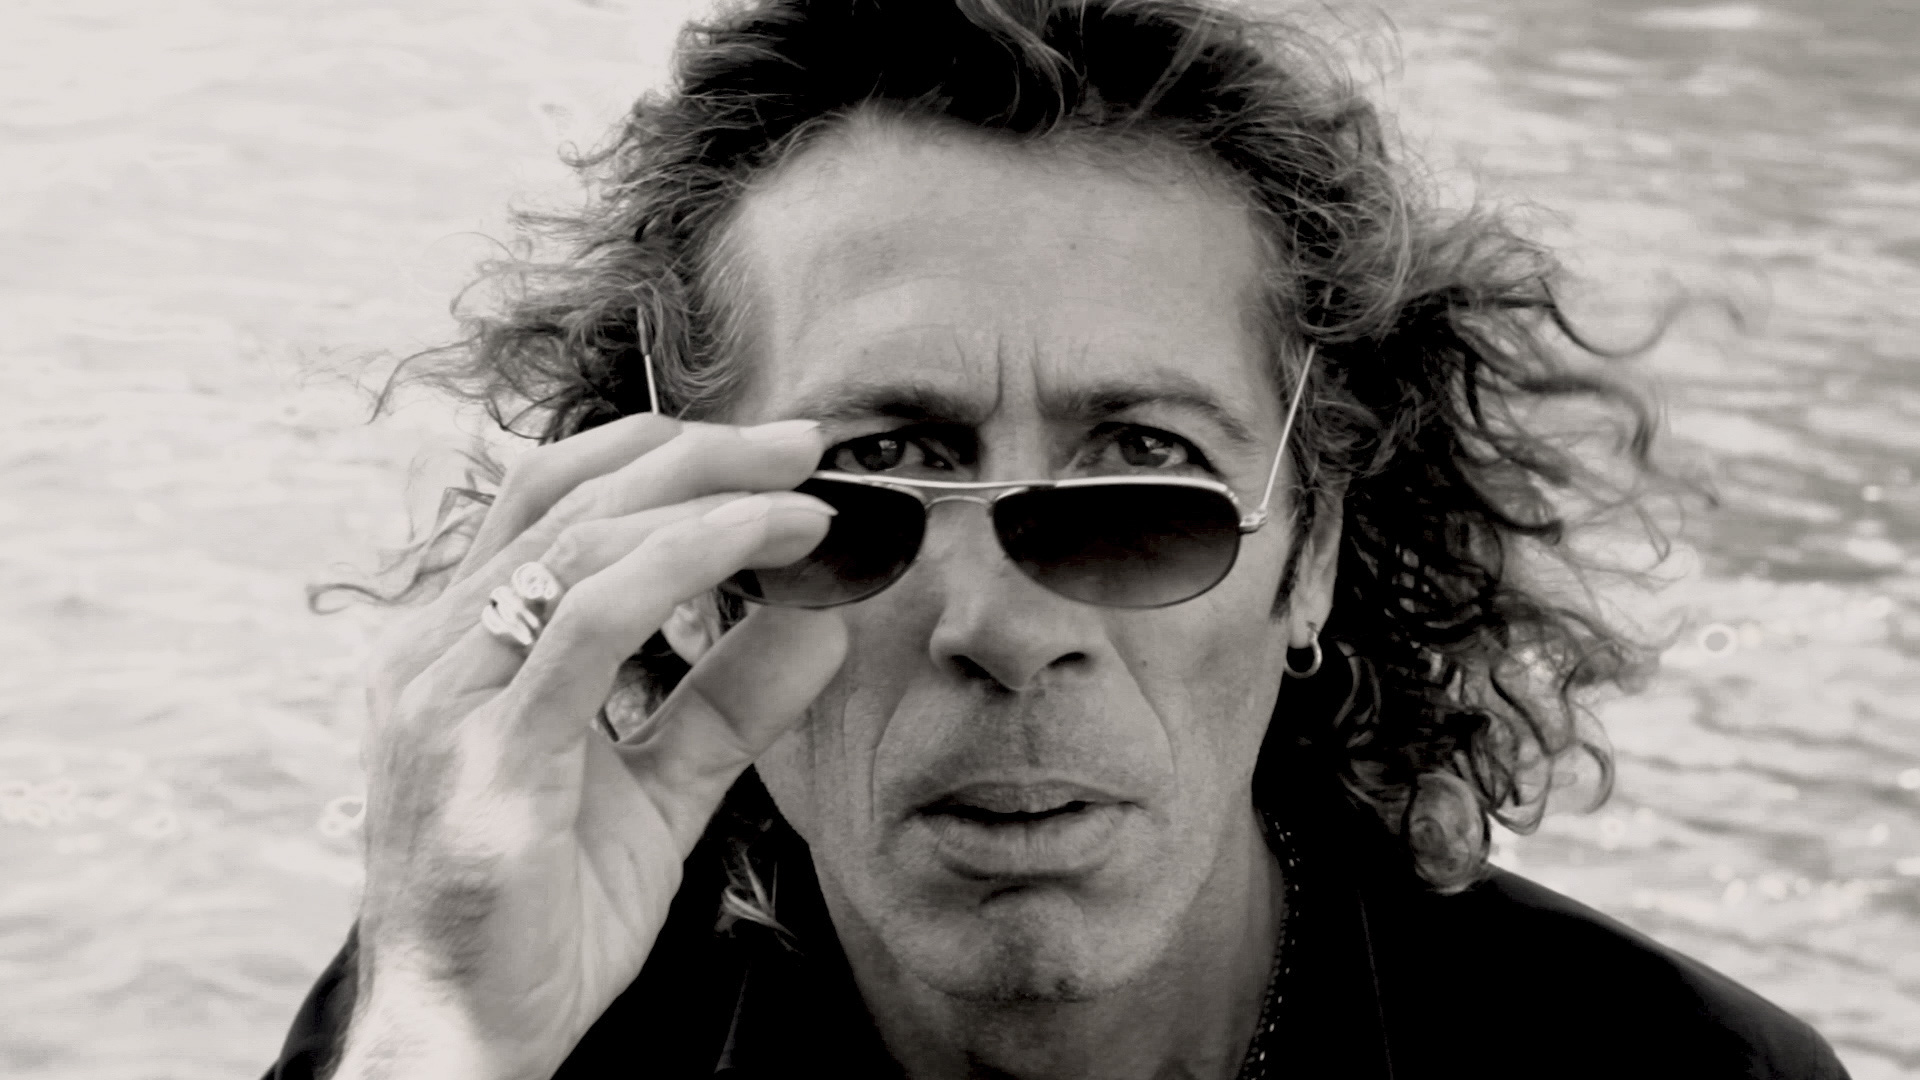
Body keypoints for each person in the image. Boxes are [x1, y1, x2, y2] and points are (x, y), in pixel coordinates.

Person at [265, 1, 1850, 1077]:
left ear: (1309, 553)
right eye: (874, 471)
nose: (1010, 627)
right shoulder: (508, 1000)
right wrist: (442, 1036)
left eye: (1147, 474)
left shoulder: (1672, 1069)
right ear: (686, 574)